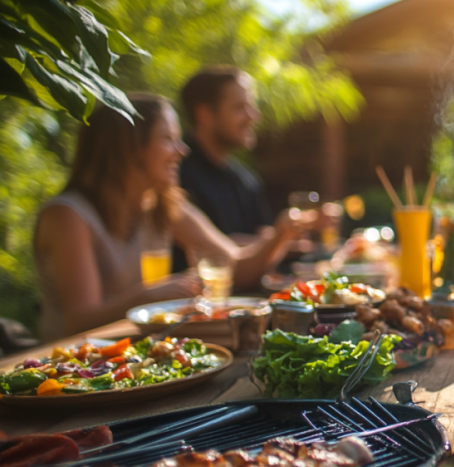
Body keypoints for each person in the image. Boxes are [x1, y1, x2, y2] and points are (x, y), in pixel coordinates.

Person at [34, 94, 303, 341]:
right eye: (168, 139)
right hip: (67, 369)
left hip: (138, 357)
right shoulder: (68, 216)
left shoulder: (164, 206)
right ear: (130, 147)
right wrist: (150, 296)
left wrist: (282, 233)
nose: (182, 150)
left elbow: (236, 267)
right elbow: (78, 322)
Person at [174, 66, 273, 271]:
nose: (253, 116)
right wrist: (280, 238)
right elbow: (217, 253)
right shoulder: (174, 175)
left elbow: (262, 238)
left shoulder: (246, 180)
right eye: (240, 107)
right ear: (205, 114)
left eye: (252, 106)